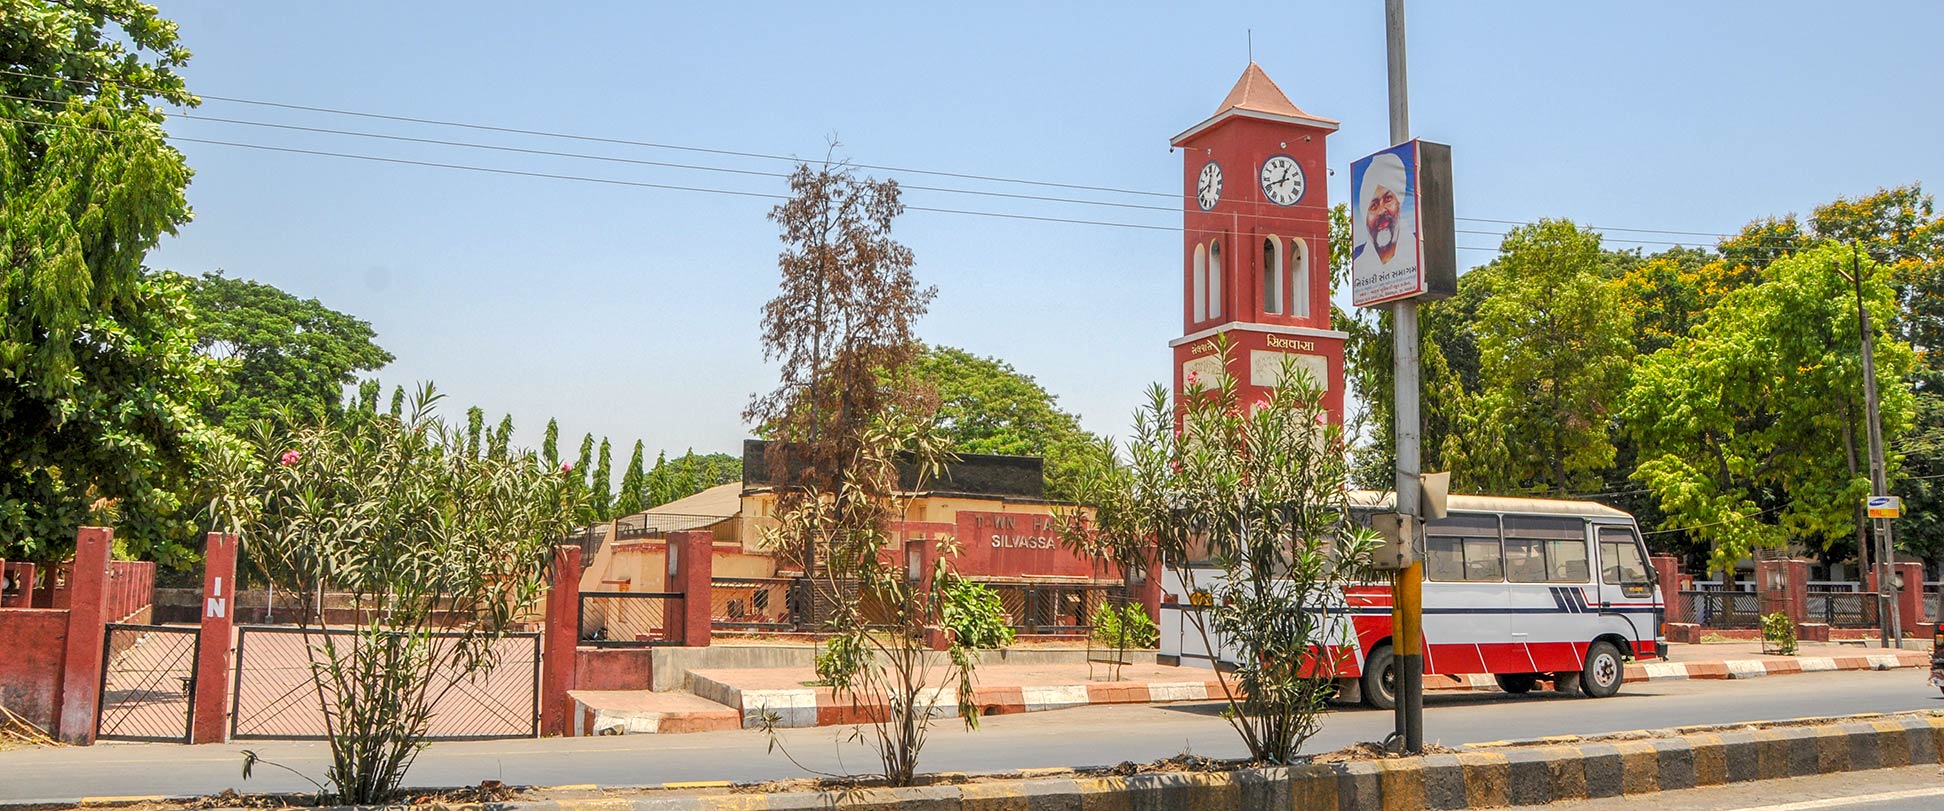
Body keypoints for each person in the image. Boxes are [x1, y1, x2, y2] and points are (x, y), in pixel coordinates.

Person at [1354, 151, 1415, 271]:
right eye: (1373, 206)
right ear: (1364, 215)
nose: (1381, 211)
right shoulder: (1359, 268)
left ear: (1399, 202)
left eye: (1388, 199)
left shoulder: (1420, 253)